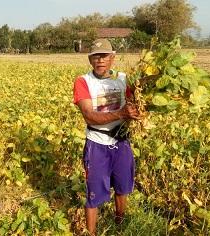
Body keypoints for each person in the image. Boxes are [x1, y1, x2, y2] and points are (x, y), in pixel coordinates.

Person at [73, 38, 140, 235]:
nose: (100, 60)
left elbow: (135, 104)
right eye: (96, 56)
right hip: (97, 144)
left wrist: (139, 111)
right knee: (93, 193)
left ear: (113, 57)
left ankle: (120, 225)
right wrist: (121, 114)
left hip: (121, 142)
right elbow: (89, 116)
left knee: (122, 187)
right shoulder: (83, 82)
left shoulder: (123, 79)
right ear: (90, 59)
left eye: (104, 56)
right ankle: (91, 233)